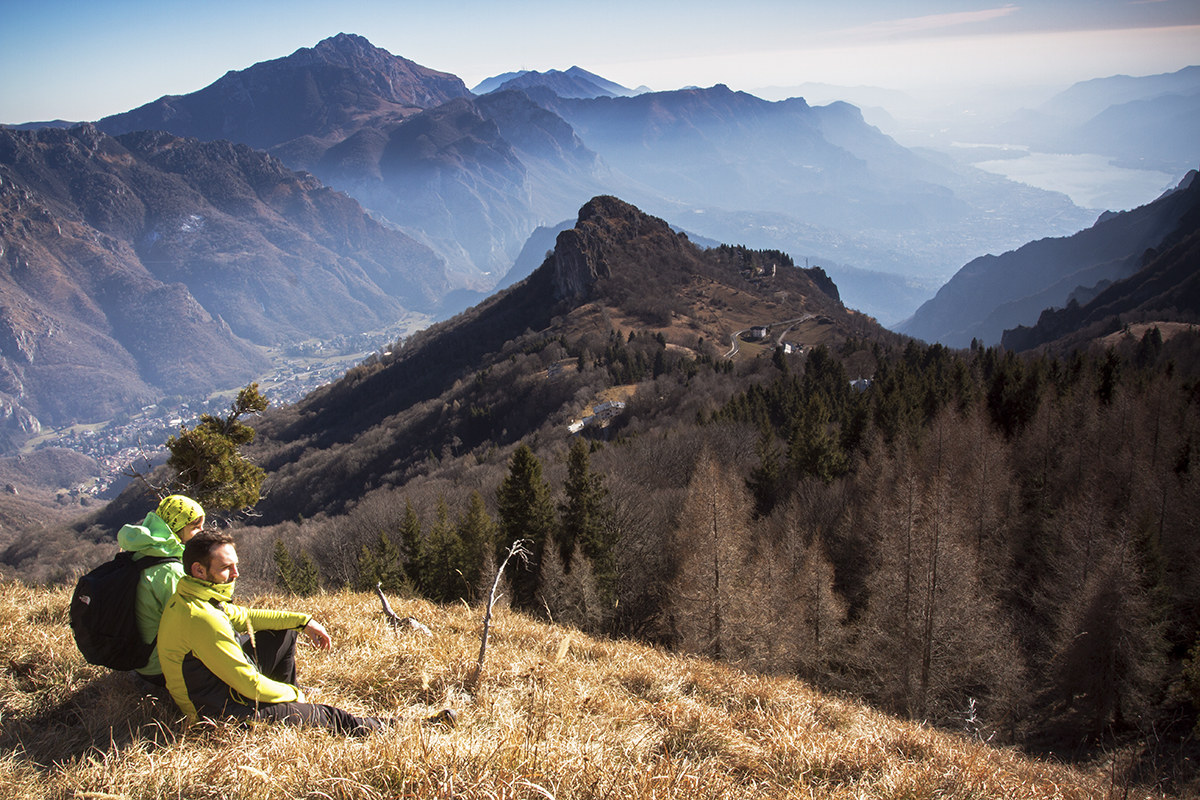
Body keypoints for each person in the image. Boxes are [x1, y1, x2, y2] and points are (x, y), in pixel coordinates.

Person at [158, 530, 449, 735]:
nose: (236, 574)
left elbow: (244, 616)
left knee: (282, 632)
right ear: (198, 570)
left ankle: (286, 709)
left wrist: (302, 621)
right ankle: (419, 727)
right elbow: (249, 685)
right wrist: (293, 694)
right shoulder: (201, 618)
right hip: (219, 713)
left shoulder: (194, 596)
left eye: (236, 565)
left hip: (214, 689)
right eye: (226, 568)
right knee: (329, 716)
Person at [118, 494, 205, 685]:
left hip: (141, 659)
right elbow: (195, 622)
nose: (201, 532)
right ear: (177, 527)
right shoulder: (169, 571)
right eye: (195, 527)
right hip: (161, 668)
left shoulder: (141, 549)